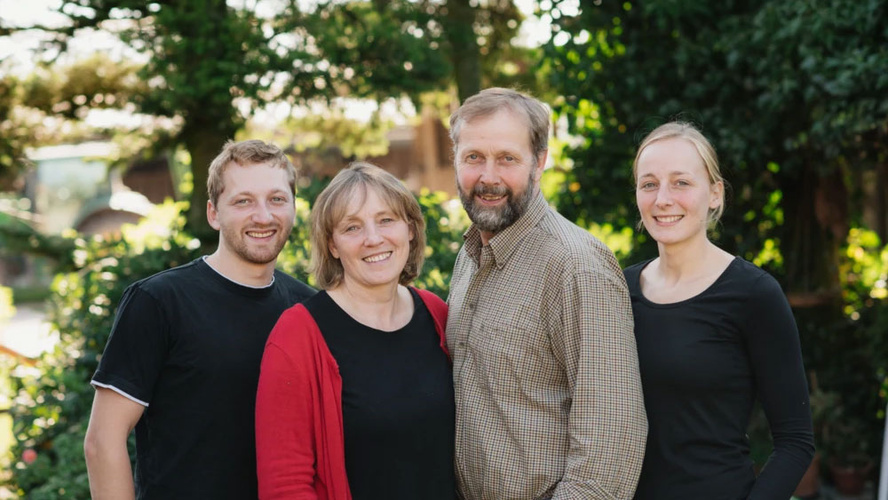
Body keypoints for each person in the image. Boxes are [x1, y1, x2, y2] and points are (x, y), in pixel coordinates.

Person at [83, 139, 316, 500]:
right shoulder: (159, 301)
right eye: (243, 201)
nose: (263, 216)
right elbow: (103, 441)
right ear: (213, 213)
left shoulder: (308, 309)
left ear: (294, 208)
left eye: (277, 199)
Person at [446, 87, 647, 500]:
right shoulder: (469, 255)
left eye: (507, 158)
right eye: (473, 157)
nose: (488, 177)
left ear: (539, 162)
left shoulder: (576, 267)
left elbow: (608, 454)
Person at [624, 121, 815, 499]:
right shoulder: (617, 290)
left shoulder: (753, 294)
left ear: (714, 194)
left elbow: (795, 442)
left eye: (681, 182)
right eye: (649, 184)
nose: (663, 198)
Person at [254, 162, 455, 500]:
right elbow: (285, 485)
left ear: (410, 229)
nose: (373, 239)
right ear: (332, 245)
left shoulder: (436, 314)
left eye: (386, 220)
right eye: (352, 227)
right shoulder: (299, 334)